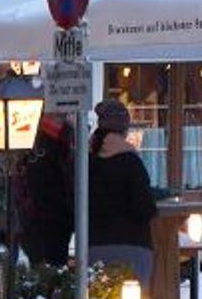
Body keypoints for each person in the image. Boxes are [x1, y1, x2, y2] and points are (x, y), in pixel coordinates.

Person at [88, 98, 158, 281]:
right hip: (132, 244)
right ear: (124, 129)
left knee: (98, 297)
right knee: (133, 297)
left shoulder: (88, 160)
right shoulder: (130, 161)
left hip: (94, 245)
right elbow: (144, 208)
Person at [18, 113, 76, 266]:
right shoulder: (59, 141)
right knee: (53, 262)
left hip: (38, 216)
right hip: (52, 215)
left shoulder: (37, 141)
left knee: (43, 264)